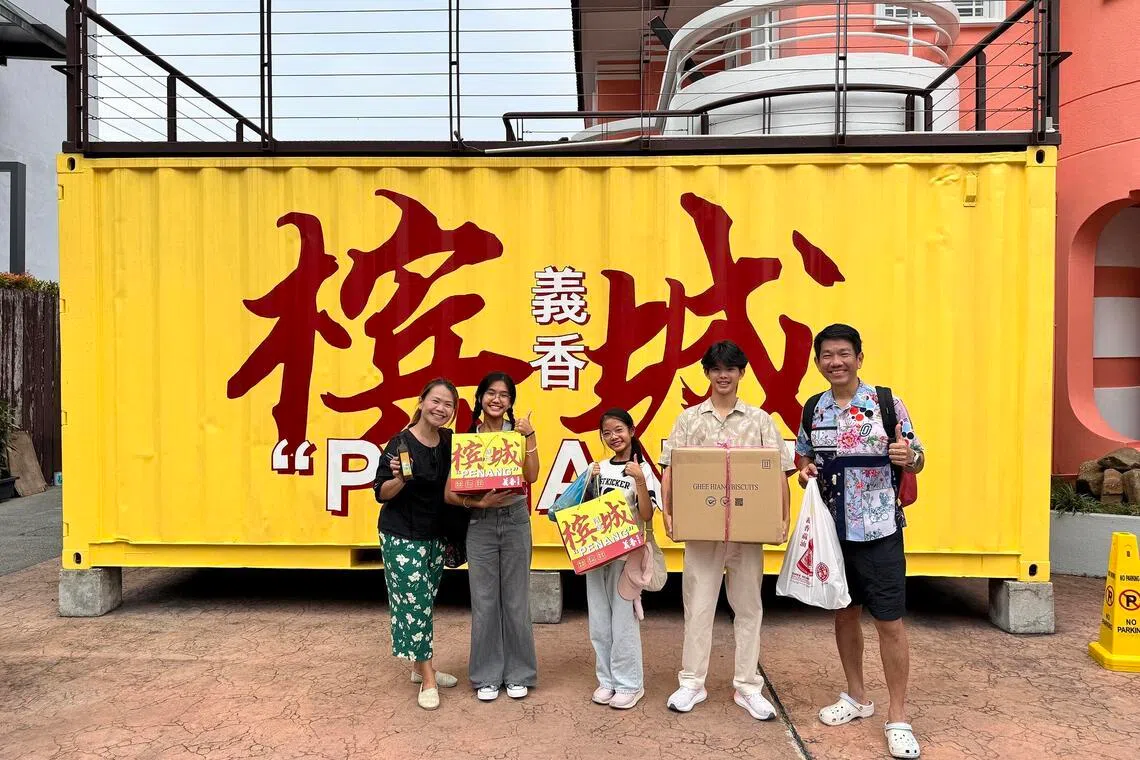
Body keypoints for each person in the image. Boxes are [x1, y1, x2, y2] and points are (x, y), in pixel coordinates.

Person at [794, 323, 925, 760]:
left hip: (879, 531)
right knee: (844, 617)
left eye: (844, 353)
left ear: (859, 357)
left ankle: (898, 717)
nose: (836, 361)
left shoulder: (886, 402)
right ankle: (856, 697)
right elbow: (805, 455)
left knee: (889, 623)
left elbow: (919, 455)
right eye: (827, 355)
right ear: (818, 363)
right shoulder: (813, 408)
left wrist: (911, 457)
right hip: (833, 535)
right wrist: (805, 470)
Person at [659, 340, 792, 720]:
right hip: (702, 533)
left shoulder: (760, 420)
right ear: (707, 373)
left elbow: (779, 474)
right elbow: (671, 470)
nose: (723, 375)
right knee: (698, 607)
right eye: (716, 368)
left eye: (730, 368)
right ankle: (691, 684)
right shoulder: (689, 419)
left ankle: (748, 687)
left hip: (747, 533)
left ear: (741, 373)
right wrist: (669, 516)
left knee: (749, 608)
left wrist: (782, 519)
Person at [445, 372, 540, 702]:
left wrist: (530, 437)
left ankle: (519, 673)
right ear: (480, 398)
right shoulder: (467, 438)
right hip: (480, 523)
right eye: (491, 393)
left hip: (515, 519)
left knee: (516, 601)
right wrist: (478, 502)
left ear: (511, 402)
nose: (497, 399)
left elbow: (531, 476)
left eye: (504, 395)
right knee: (484, 603)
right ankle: (486, 675)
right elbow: (449, 493)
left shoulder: (517, 434)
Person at [373, 378, 464, 711]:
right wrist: (398, 479)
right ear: (422, 401)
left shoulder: (450, 440)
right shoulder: (400, 443)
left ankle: (418, 666)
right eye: (436, 401)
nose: (441, 409)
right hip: (402, 535)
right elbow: (380, 492)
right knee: (416, 605)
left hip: (436, 534)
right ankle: (427, 678)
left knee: (426, 601)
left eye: (448, 405)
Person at [584, 408, 661, 710]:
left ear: (631, 430)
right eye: (607, 432)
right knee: (599, 623)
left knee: (623, 622)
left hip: (627, 559)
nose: (613, 436)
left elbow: (646, 515)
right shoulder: (598, 468)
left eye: (619, 430)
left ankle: (630, 684)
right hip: (597, 556)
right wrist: (588, 484)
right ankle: (607, 681)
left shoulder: (642, 470)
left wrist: (640, 480)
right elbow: (584, 511)